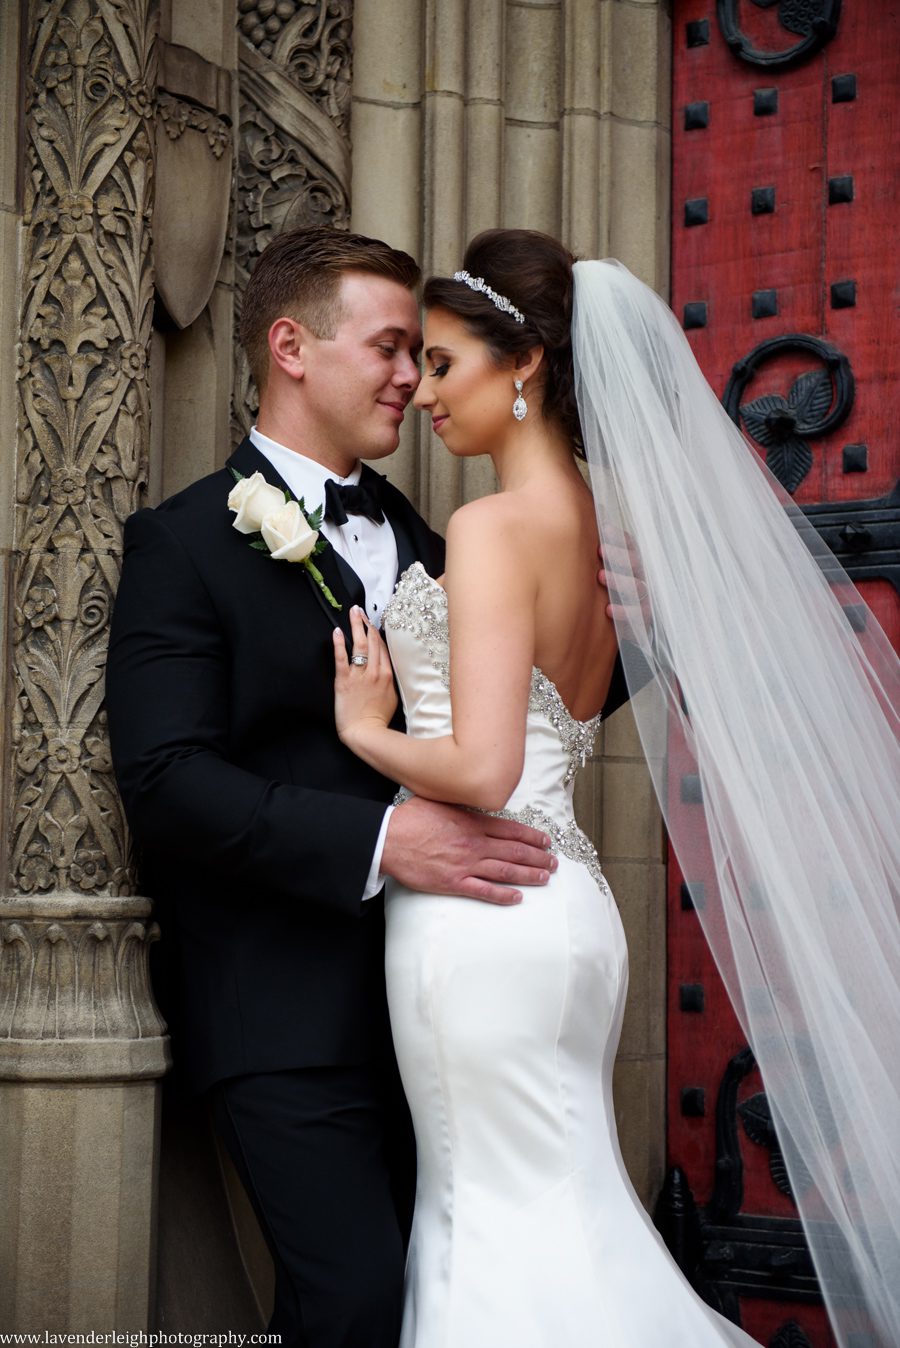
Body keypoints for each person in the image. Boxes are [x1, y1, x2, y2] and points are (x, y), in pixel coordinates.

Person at [333, 229, 900, 1347]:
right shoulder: (606, 534)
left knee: (488, 1228)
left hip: (484, 914)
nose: (425, 393)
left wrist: (364, 730)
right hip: (569, 911)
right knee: (565, 1216)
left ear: (525, 364)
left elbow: (485, 768)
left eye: (443, 364)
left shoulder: (490, 527)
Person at [104, 226, 633, 1348]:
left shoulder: (436, 539)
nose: (411, 378)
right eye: (392, 348)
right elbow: (167, 781)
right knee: (354, 1304)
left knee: (466, 1289)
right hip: (286, 1013)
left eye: (426, 356)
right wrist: (382, 841)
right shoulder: (182, 545)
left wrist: (633, 622)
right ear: (291, 348)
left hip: (454, 995)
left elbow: (531, 704)